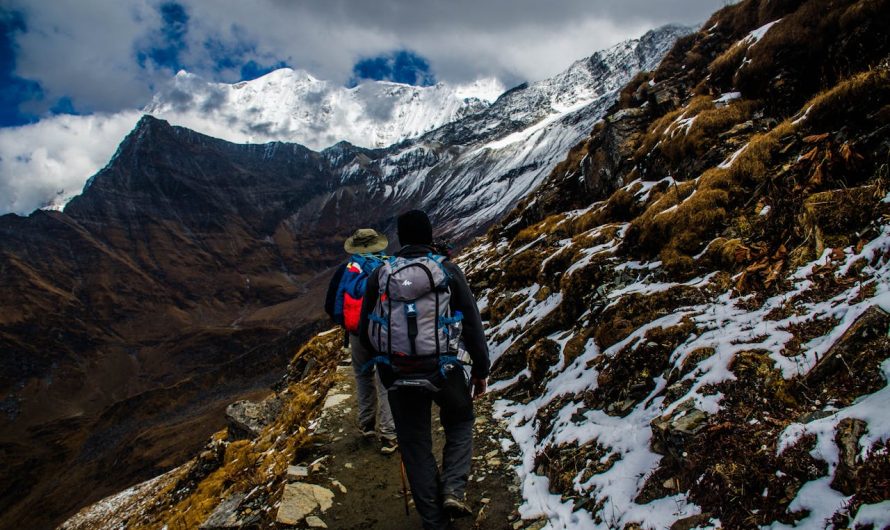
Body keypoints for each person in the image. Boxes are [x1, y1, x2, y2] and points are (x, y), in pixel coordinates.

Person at [359, 210, 490, 530]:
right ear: (430, 235)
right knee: (461, 420)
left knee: (415, 445)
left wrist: (387, 369)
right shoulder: (447, 270)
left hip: (399, 372)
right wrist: (481, 370)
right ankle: (453, 489)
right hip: (443, 370)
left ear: (401, 239)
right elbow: (472, 324)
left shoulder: (381, 275)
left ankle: (434, 521)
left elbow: (365, 332)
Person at [324, 228, 398, 454]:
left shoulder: (346, 270)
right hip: (385, 333)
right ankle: (389, 434)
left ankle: (367, 424)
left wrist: (348, 325)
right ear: (379, 245)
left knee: (363, 375)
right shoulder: (390, 266)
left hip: (357, 333)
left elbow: (330, 304)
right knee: (386, 380)